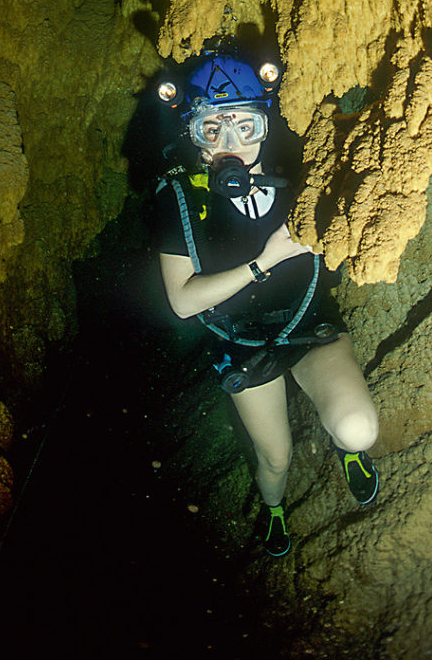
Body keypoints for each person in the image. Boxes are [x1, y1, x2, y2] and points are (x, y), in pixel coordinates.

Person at [155, 48, 379, 557]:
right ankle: (275, 511)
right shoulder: (178, 202)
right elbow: (183, 303)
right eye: (212, 130)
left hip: (309, 322)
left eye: (245, 126)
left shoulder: (299, 166)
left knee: (358, 428)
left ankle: (349, 453)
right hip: (243, 342)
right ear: (193, 137)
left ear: (266, 123)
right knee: (275, 460)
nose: (230, 145)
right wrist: (265, 259)